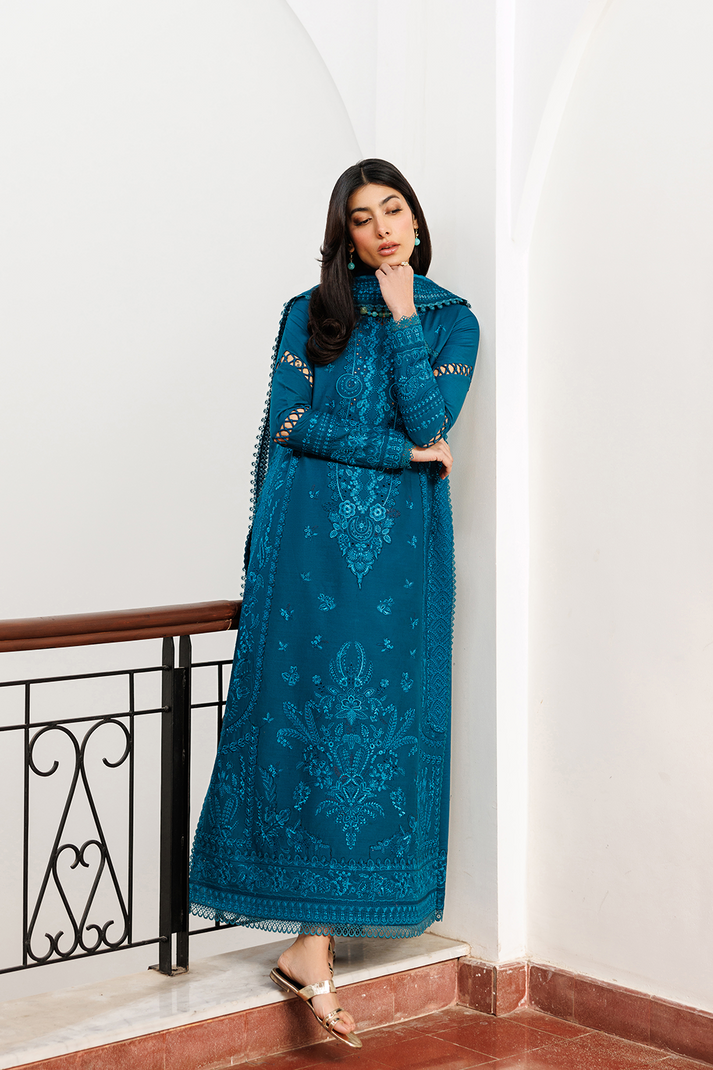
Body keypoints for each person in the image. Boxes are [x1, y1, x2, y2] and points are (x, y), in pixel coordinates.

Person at [189, 159, 480, 1048]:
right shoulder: (308, 312)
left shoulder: (451, 319)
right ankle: (309, 945)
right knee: (301, 719)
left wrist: (401, 316)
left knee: (372, 729)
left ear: (416, 222)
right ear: (343, 233)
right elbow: (289, 423)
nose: (382, 228)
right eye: (362, 217)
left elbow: (430, 419)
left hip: (398, 562)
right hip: (306, 550)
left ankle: (311, 945)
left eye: (394, 210)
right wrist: (396, 456)